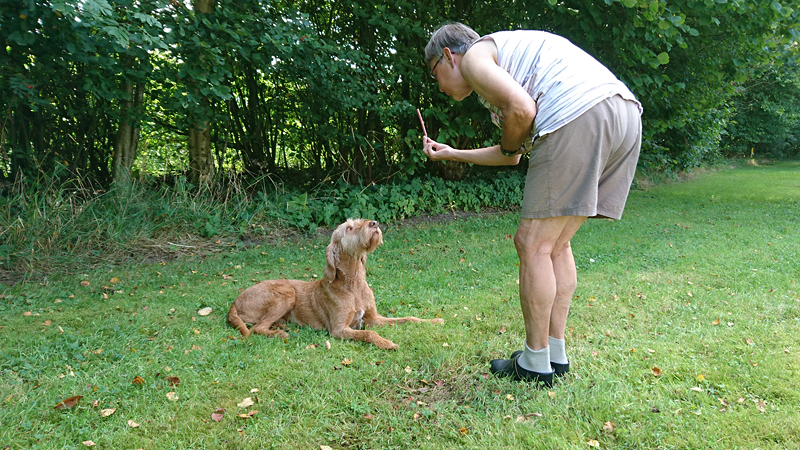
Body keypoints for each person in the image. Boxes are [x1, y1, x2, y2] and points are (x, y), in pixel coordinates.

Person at [422, 22, 642, 386]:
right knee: (556, 245)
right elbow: (511, 154)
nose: (440, 86)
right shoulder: (508, 69)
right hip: (622, 114)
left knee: (532, 243)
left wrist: (511, 139)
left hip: (578, 114)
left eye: (436, 74)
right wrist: (452, 153)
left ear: (449, 56)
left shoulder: (476, 57)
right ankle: (555, 353)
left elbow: (522, 111)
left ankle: (535, 363)